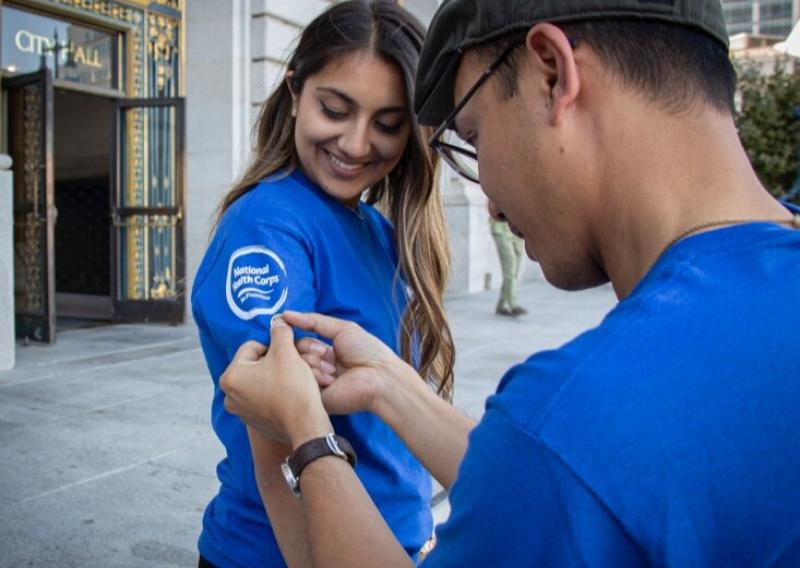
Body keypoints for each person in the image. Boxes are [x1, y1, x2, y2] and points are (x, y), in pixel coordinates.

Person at [219, 0, 800, 566]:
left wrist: (306, 435)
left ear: (552, 74)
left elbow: (554, 469)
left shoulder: (572, 425)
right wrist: (388, 387)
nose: (489, 203)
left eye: (473, 136)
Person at [191, 2, 454, 566]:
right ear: (294, 92)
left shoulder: (378, 228)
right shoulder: (269, 226)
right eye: (335, 109)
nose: (357, 145)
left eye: (387, 124)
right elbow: (276, 446)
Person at [489, 212, 527, 316]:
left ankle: (501, 305)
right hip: (501, 230)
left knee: (515, 272)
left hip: (517, 232)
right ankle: (513, 305)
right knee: (510, 269)